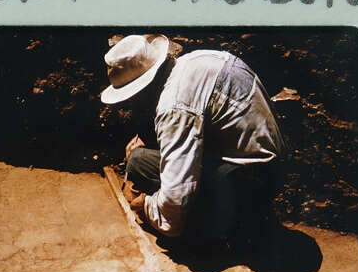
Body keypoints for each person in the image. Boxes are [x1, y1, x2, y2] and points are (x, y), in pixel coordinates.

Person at [101, 34, 286, 245]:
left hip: (249, 182)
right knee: (141, 158)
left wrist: (147, 207)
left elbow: (174, 206)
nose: (131, 104)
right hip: (267, 169)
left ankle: (222, 234)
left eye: (131, 97)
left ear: (142, 88)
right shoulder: (193, 62)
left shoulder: (174, 106)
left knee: (140, 164)